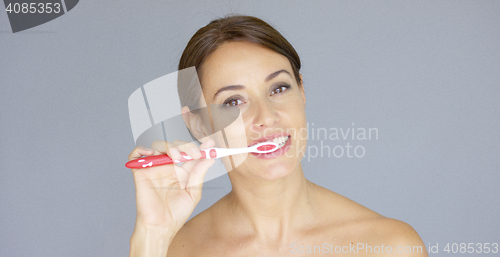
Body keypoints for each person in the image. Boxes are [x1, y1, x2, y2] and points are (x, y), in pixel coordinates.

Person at [128, 15, 428, 256]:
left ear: (302, 92)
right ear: (198, 125)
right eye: (233, 102)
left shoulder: (390, 246)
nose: (267, 117)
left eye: (279, 88)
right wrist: (153, 234)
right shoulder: (174, 251)